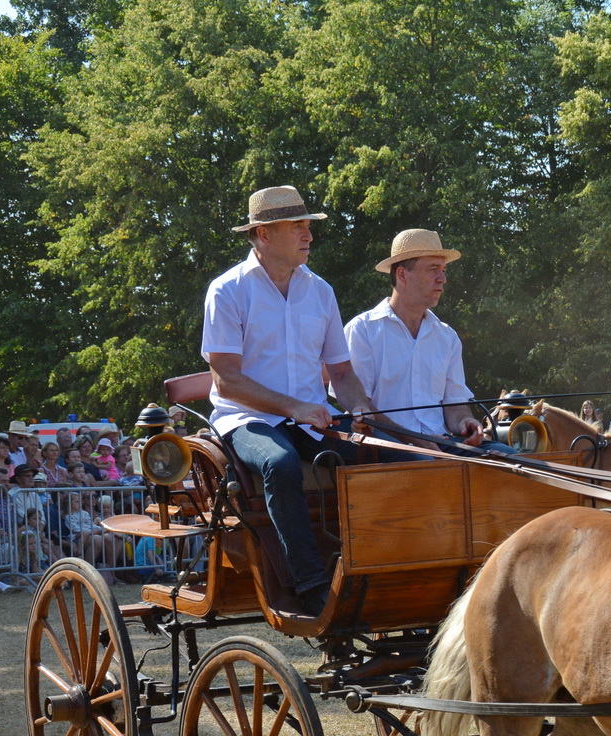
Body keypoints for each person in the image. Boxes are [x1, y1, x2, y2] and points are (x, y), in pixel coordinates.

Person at [203, 186, 375, 619]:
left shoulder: (320, 291)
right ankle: (312, 585)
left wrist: (362, 411)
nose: (308, 234)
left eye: (308, 225)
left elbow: (342, 374)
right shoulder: (227, 290)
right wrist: (294, 407)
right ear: (263, 232)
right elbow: (226, 380)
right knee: (278, 464)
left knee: (369, 459)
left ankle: (368, 570)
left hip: (309, 420)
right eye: (297, 226)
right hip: (246, 420)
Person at [345, 228, 509, 460]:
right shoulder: (362, 330)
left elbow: (454, 404)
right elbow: (363, 407)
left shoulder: (447, 337)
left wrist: (466, 422)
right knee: (424, 463)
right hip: (385, 446)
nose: (443, 278)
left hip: (440, 443)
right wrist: (414, 440)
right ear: (402, 275)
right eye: (433, 269)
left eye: (443, 270)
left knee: (510, 458)